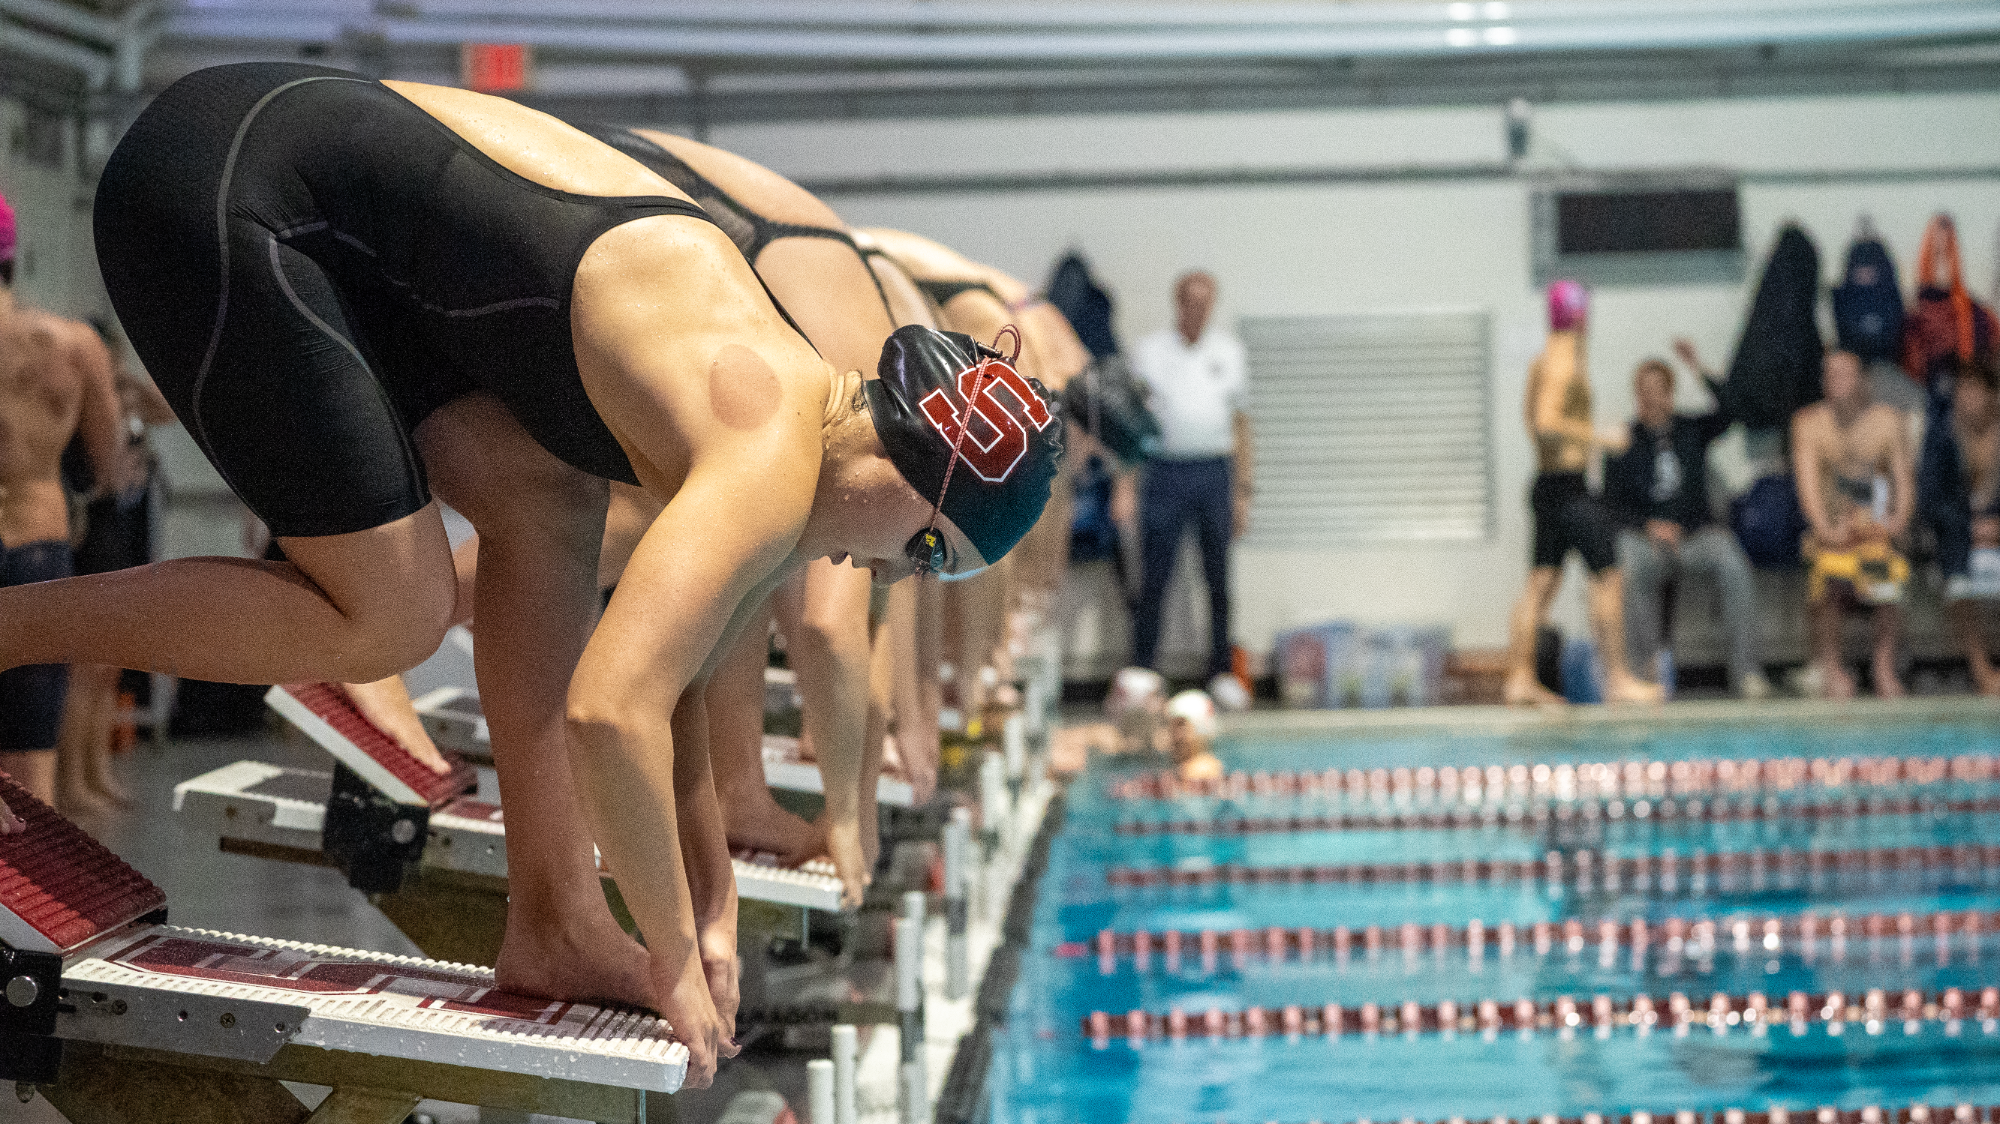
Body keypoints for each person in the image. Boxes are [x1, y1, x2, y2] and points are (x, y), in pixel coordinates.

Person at [0, 63, 1061, 1087]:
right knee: (389, 612)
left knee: (551, 503)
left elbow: (678, 695)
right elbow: (611, 712)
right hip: (228, 183)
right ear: (912, 478)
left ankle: (553, 917)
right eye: (927, 556)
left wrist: (710, 902)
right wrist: (675, 961)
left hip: (312, 201)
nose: (885, 578)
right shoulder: (769, 449)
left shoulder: (784, 408)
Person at [0, 190, 124, 807]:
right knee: (31, 771)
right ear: (13, 258)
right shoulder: (73, 345)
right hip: (37, 548)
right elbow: (112, 471)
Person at [1502, 280, 1660, 706]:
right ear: (1579, 313)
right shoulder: (1564, 359)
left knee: (1541, 582)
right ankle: (1618, 679)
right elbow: (1545, 422)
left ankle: (1519, 678)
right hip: (1569, 491)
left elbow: (1530, 418)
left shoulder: (1543, 359)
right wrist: (1600, 437)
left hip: (1547, 485)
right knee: (1608, 578)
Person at [57, 319, 179, 813]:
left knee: (110, 666)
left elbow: (169, 409)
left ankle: (98, 769)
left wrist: (123, 381)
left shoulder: (121, 397)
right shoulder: (78, 399)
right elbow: (91, 472)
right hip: (97, 530)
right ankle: (73, 779)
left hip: (127, 530)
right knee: (86, 665)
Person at [1602, 345, 1769, 698]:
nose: (1651, 397)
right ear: (1636, 395)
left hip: (1695, 534)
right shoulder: (1623, 441)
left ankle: (1747, 672)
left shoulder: (1692, 429)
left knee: (1732, 561)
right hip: (1646, 537)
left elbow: (1735, 409)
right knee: (1629, 566)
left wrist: (1699, 368)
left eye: (1658, 389)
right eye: (1643, 390)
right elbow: (1611, 506)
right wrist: (1649, 527)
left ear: (1670, 392)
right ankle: (1643, 674)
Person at [1127, 271, 1252, 691]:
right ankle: (1144, 668)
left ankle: (1220, 672)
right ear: (1178, 302)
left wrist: (1243, 492)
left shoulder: (1229, 352)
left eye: (1205, 301)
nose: (1197, 309)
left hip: (1215, 472)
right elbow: (1133, 422)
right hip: (1164, 471)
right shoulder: (1150, 353)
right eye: (1189, 301)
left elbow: (1241, 424)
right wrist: (1125, 486)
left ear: (1212, 304)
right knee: (1154, 575)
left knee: (1217, 576)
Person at [1792, 349, 1914, 699]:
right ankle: (1832, 666)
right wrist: (1826, 530)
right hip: (1831, 532)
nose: (1836, 381)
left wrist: (1894, 523)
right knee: (1830, 575)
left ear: (1861, 380)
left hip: (1875, 532)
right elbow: (1808, 488)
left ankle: (1883, 664)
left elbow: (1904, 483)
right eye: (1829, 374)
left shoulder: (1887, 421)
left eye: (1844, 373)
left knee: (1884, 573)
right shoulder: (1809, 423)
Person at [1917, 356, 2000, 693]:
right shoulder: (1941, 437)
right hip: (1957, 541)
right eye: (1962, 390)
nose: (1967, 398)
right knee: (1958, 579)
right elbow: (1930, 499)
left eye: (1975, 390)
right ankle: (1980, 669)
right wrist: (1971, 530)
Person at [1164, 688, 1224, 784]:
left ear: (1199, 731)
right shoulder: (1175, 768)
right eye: (1171, 728)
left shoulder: (1203, 773)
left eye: (1181, 726)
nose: (1175, 736)